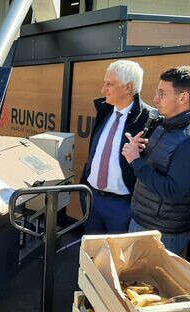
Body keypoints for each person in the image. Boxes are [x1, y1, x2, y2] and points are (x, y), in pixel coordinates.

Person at [123, 66, 190, 258]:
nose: (155, 99)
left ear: (183, 98)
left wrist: (136, 162)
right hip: (142, 221)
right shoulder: (164, 125)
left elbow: (173, 192)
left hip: (164, 234)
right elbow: (157, 167)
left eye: (162, 94)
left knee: (152, 287)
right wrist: (141, 151)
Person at [80, 60, 153, 234]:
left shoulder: (149, 120)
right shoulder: (104, 110)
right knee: (91, 257)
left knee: (117, 260)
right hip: (92, 199)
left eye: (109, 84)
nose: (103, 90)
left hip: (123, 207)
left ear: (128, 88)